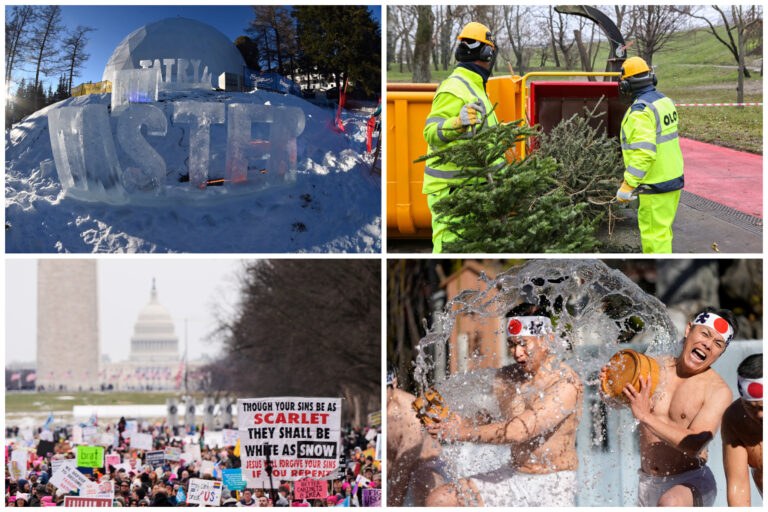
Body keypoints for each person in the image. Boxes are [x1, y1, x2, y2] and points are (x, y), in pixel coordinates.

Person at [426, 309, 583, 507]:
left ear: (547, 340)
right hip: (513, 475)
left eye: (523, 344)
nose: (517, 353)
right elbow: (491, 416)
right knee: (440, 500)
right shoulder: (507, 378)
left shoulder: (566, 383)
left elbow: (519, 431)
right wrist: (458, 422)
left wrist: (461, 432)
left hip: (553, 484)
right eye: (512, 344)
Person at [602, 307, 735, 506]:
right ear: (689, 330)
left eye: (717, 344)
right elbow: (618, 402)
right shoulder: (656, 367)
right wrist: (609, 388)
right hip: (647, 483)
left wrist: (647, 416)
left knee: (670, 502)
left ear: (721, 353)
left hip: (690, 484)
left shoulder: (718, 391)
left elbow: (695, 444)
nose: (707, 345)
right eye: (705, 334)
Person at [422, 21, 505, 253]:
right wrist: (456, 124)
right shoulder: (454, 87)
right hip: (452, 192)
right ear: (488, 53)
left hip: (472, 189)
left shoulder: (476, 86)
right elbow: (430, 132)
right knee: (449, 248)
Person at [615, 56, 684, 253]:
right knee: (663, 232)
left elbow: (644, 153)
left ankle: (661, 278)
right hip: (672, 178)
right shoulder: (665, 102)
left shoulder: (639, 112)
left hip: (655, 184)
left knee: (654, 239)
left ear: (626, 85)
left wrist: (628, 184)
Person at [386, 361, 448, 506]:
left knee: (424, 481)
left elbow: (402, 472)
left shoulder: (410, 412)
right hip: (401, 472)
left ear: (394, 384)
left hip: (430, 467)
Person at [721, 353, 762, 505]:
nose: (759, 415)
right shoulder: (735, 419)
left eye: (763, 407)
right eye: (750, 407)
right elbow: (738, 487)